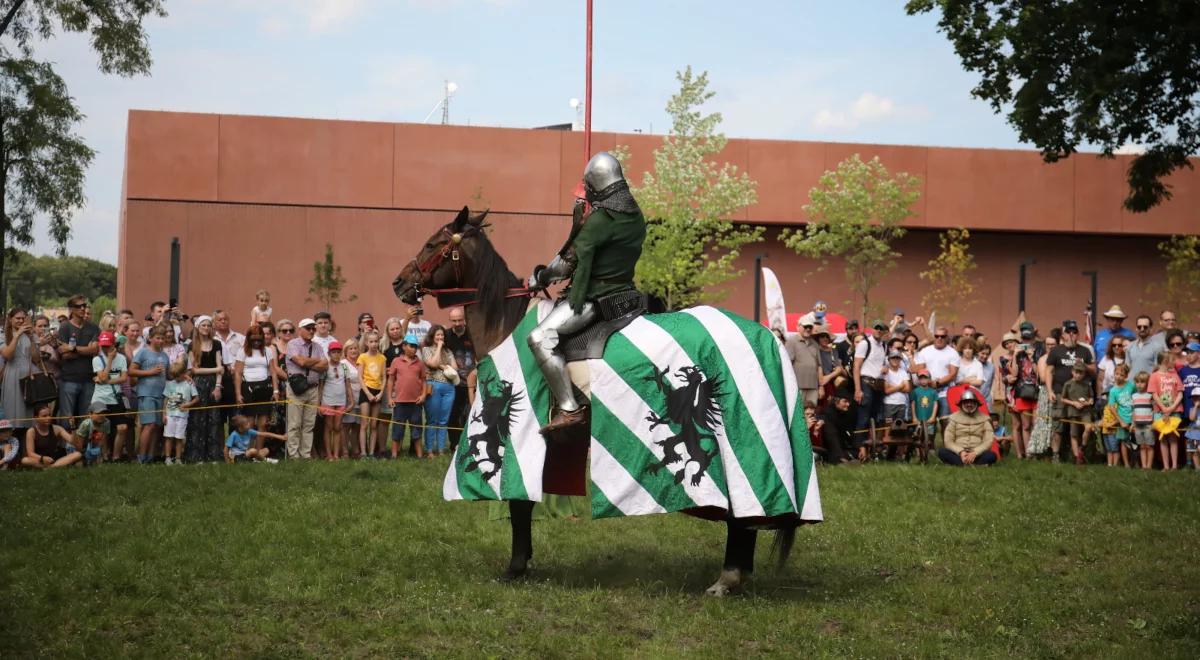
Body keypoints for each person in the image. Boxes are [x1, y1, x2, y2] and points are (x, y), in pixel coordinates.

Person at [526, 152, 646, 434]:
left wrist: (540, 276)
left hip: (595, 297)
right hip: (626, 292)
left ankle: (569, 408)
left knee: (538, 339)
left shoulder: (601, 220)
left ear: (595, 184)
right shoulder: (634, 214)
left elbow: (566, 266)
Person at [1045, 320, 1095, 461]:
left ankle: (1078, 455)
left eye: (1074, 332)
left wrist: (1084, 364)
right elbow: (1049, 371)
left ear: (1078, 334)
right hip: (1060, 393)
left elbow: (1094, 371)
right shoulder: (1056, 350)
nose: (1072, 334)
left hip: (1080, 396)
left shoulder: (1084, 350)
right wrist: (1050, 391)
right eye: (1069, 332)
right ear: (1064, 335)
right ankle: (1056, 454)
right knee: (1058, 425)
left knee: (1078, 427)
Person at [285, 318, 328, 459]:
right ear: (300, 330)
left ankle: (305, 454)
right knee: (295, 424)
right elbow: (300, 361)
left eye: (312, 329)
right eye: (308, 328)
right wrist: (315, 361)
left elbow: (325, 366)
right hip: (297, 388)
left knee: (309, 424)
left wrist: (306, 362)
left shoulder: (318, 347)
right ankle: (293, 455)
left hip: (313, 389)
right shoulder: (293, 344)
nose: (311, 331)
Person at [184, 316, 225, 463]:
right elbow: (193, 370)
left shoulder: (217, 344)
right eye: (203, 325)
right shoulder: (192, 345)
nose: (206, 328)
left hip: (214, 384)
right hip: (198, 385)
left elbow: (221, 368)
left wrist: (218, 386)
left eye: (208, 325)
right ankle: (196, 455)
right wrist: (215, 369)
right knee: (197, 418)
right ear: (197, 327)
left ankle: (213, 455)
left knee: (213, 419)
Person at [56, 295, 101, 429]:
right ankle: (66, 447)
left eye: (84, 305)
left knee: (86, 418)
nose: (82, 308)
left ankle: (82, 447)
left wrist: (73, 348)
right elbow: (65, 355)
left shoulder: (93, 327)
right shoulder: (64, 327)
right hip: (69, 378)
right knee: (67, 417)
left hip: (88, 378)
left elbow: (94, 350)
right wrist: (85, 350)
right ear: (71, 309)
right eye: (78, 306)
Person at [130, 326, 170, 464]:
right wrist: (150, 372)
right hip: (146, 393)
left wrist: (183, 376)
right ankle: (141, 456)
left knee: (157, 426)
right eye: (158, 338)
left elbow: (169, 374)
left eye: (163, 338)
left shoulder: (165, 356)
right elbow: (131, 371)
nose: (160, 340)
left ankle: (151, 456)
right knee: (149, 425)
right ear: (150, 338)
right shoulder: (143, 353)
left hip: (161, 394)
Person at [851, 320, 890, 454]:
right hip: (866, 383)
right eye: (876, 328)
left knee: (875, 417)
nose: (878, 330)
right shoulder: (864, 343)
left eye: (881, 328)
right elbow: (856, 367)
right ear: (872, 329)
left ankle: (871, 448)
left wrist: (885, 368)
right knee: (863, 417)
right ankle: (858, 449)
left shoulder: (884, 346)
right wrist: (857, 389)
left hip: (878, 385)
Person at [91, 331, 130, 462]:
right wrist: (109, 361)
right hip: (100, 398)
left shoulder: (122, 358)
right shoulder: (97, 359)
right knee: (100, 427)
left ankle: (116, 456)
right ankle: (103, 455)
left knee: (122, 427)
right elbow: (102, 376)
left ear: (114, 344)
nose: (105, 348)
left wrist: (107, 380)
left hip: (115, 396)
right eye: (103, 346)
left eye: (108, 345)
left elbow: (123, 378)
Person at [386, 334, 426, 459]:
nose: (414, 349)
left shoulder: (420, 363)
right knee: (397, 429)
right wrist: (390, 398)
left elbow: (424, 380)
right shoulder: (396, 361)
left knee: (417, 429)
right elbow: (391, 380)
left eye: (415, 347)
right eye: (411, 346)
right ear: (404, 346)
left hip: (415, 403)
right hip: (400, 402)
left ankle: (420, 455)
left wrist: (423, 395)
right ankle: (394, 455)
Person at [421, 325, 458, 457]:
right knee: (432, 420)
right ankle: (430, 449)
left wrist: (441, 365)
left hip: (449, 388)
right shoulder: (426, 349)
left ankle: (441, 449)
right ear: (432, 336)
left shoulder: (448, 351)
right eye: (437, 335)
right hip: (433, 386)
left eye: (442, 335)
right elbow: (432, 363)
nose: (440, 337)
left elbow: (455, 368)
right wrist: (439, 348)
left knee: (443, 420)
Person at [443, 306, 476, 451]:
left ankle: (469, 443)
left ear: (464, 319)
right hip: (452, 383)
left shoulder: (472, 332)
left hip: (471, 383)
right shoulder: (446, 335)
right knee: (453, 414)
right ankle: (454, 444)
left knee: (471, 413)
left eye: (459, 320)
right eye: (454, 321)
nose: (457, 324)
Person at [234, 324, 278, 432]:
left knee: (262, 423)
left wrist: (276, 390)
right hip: (248, 387)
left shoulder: (268, 351)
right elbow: (238, 373)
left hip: (264, 386)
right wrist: (238, 394)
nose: (256, 342)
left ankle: (259, 449)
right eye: (253, 339)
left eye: (259, 339)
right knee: (250, 423)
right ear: (248, 339)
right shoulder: (242, 351)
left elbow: (273, 372)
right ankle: (249, 449)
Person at [937, 390, 997, 466]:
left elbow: (988, 441)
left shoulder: (985, 419)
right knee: (942, 452)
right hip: (958, 453)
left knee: (992, 456)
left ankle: (961, 463)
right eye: (966, 402)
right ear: (961, 404)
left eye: (971, 402)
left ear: (976, 404)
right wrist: (961, 452)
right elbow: (948, 441)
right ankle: (972, 463)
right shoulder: (953, 418)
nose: (969, 404)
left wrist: (975, 452)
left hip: (977, 454)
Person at [1, 308, 36, 435]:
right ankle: (11, 441)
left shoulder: (28, 335)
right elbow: (7, 355)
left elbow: (36, 358)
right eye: (18, 318)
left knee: (28, 412)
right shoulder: (3, 336)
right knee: (12, 410)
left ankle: (26, 444)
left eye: (23, 318)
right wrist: (16, 336)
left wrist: (31, 338)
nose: (21, 321)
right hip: (13, 375)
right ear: (10, 320)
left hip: (28, 375)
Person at [914, 326, 961, 419]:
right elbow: (920, 370)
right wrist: (930, 383)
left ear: (947, 338)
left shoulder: (953, 353)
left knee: (946, 420)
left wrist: (938, 382)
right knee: (927, 421)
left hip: (945, 392)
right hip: (927, 391)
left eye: (942, 336)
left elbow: (952, 374)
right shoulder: (924, 351)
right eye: (937, 336)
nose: (939, 338)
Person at [1148, 351, 1183, 471]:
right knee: (1163, 438)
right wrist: (1164, 409)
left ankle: (1174, 466)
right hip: (1160, 411)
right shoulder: (1154, 376)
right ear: (1165, 361)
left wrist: (1171, 408)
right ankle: (1166, 466)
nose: (1175, 362)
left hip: (1174, 411)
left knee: (1173, 438)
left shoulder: (1175, 375)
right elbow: (1154, 394)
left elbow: (1180, 393)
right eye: (1172, 360)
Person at [318, 341, 351, 461]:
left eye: (338, 352)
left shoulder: (344, 367)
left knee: (337, 427)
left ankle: (336, 454)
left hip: (341, 401)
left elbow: (347, 385)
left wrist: (351, 401)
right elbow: (320, 386)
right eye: (334, 352)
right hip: (328, 401)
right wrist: (319, 404)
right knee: (329, 427)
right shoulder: (325, 367)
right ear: (329, 353)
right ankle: (329, 454)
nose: (336, 355)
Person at [356, 330, 387, 458]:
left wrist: (380, 393)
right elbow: (360, 377)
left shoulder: (382, 358)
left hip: (378, 391)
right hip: (366, 391)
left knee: (374, 424)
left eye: (376, 341)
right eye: (371, 342)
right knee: (365, 423)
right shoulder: (362, 357)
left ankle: (371, 452)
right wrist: (368, 393)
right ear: (367, 343)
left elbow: (384, 377)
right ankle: (363, 452)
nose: (374, 344)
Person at [21, 402, 81, 469]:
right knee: (25, 460)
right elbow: (30, 453)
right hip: (38, 460)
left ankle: (50, 467)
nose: (48, 418)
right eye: (44, 416)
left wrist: (73, 426)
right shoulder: (31, 432)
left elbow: (72, 441)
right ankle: (52, 467)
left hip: (52, 460)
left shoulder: (57, 428)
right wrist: (42, 458)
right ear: (36, 418)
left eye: (49, 415)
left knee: (77, 454)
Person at [162, 361, 199, 465]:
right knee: (168, 437)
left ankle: (178, 459)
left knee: (179, 438)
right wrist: (164, 414)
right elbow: (165, 400)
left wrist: (187, 405)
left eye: (177, 376)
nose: (176, 378)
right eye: (174, 376)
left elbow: (196, 399)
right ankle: (168, 458)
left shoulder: (189, 384)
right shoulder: (169, 384)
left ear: (184, 373)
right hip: (170, 415)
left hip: (182, 416)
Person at [1059, 362, 1095, 464]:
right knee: (1073, 434)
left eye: (1081, 373)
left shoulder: (1086, 384)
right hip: (1073, 411)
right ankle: (1077, 457)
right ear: (1072, 372)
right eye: (1076, 372)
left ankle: (1082, 448)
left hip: (1085, 411)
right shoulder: (1068, 384)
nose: (1078, 375)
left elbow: (1091, 397)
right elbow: (1062, 399)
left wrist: (1089, 402)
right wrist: (1073, 403)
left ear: (1084, 374)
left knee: (1088, 428)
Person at [213, 310, 244, 424]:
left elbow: (246, 356)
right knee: (219, 420)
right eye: (220, 319)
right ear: (214, 322)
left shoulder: (240, 338)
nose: (223, 321)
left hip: (236, 380)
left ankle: (234, 441)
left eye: (225, 319)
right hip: (218, 380)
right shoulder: (212, 339)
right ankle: (221, 442)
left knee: (235, 417)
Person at [881, 351, 911, 458]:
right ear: (889, 359)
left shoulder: (903, 372)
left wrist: (893, 387)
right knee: (888, 426)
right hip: (889, 403)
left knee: (900, 427)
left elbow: (907, 388)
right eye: (893, 358)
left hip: (901, 403)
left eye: (898, 358)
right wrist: (899, 386)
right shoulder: (886, 372)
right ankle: (886, 448)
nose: (895, 360)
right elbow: (886, 390)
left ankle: (898, 451)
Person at [1104, 364, 1135, 468]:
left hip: (1134, 418)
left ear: (1126, 376)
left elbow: (1136, 398)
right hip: (1123, 419)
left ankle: (1136, 463)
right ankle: (1126, 464)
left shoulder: (1131, 385)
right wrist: (1121, 421)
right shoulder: (1113, 391)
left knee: (1135, 441)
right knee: (1124, 442)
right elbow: (1112, 407)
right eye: (1116, 374)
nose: (1118, 376)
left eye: (1121, 375)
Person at [785, 322, 821, 407]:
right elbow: (787, 365)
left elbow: (819, 365)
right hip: (798, 386)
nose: (808, 329)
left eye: (810, 327)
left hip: (813, 386)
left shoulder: (815, 344)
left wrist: (821, 386)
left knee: (812, 411)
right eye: (805, 326)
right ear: (799, 327)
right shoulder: (791, 341)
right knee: (798, 411)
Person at [818, 394, 858, 465]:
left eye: (848, 402)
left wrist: (860, 446)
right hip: (829, 449)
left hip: (843, 448)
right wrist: (840, 456)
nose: (848, 404)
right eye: (845, 401)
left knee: (854, 453)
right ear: (836, 401)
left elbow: (850, 434)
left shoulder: (845, 414)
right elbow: (832, 438)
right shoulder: (827, 415)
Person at [341, 339, 363, 459]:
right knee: (346, 426)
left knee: (357, 426)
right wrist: (350, 400)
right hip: (348, 398)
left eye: (355, 348)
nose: (354, 351)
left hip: (361, 398)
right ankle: (344, 451)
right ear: (346, 351)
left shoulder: (361, 362)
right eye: (351, 348)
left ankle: (355, 450)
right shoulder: (343, 364)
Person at [1126, 315, 1166, 381]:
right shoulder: (1130, 346)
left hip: (1149, 386)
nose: (1142, 329)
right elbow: (1127, 368)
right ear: (1136, 328)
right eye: (1139, 327)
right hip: (1131, 386)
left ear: (1150, 328)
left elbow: (1159, 369)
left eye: (1145, 327)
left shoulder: (1158, 347)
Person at [1131, 371, 1156, 469]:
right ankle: (1144, 466)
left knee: (1149, 446)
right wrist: (1133, 423)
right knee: (1141, 446)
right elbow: (1133, 411)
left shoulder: (1150, 396)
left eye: (1142, 382)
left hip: (1148, 425)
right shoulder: (1134, 396)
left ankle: (1149, 466)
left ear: (1147, 383)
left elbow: (1154, 410)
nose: (1139, 384)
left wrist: (1153, 422)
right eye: (1137, 382)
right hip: (1137, 425)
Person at [75, 402, 112, 466]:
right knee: (79, 464)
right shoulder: (86, 424)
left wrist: (104, 456)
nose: (102, 415)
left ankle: (92, 458)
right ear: (90, 414)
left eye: (104, 413)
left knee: (97, 461)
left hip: (93, 443)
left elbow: (104, 440)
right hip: (80, 445)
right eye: (98, 413)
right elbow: (79, 444)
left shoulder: (106, 422)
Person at [1185, 387, 1200, 470]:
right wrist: (1195, 407)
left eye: (1198, 397)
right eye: (1194, 398)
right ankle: (1197, 468)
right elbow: (1191, 418)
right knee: (1194, 452)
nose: (1196, 400)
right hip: (1192, 435)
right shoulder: (1192, 409)